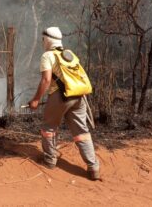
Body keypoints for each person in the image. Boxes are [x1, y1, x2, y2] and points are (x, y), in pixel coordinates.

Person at [28, 26, 100, 180]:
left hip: (60, 97)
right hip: (79, 97)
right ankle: (93, 167)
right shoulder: (70, 54)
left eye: (43, 39)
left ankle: (49, 160)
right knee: (81, 132)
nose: (42, 42)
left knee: (49, 127)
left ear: (47, 40)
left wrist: (35, 100)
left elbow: (46, 80)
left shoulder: (48, 55)